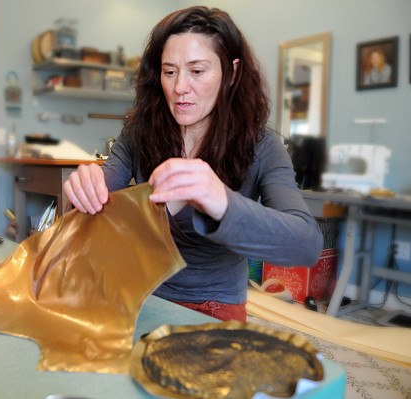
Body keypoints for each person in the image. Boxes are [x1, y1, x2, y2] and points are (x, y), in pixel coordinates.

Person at [63, 6, 323, 322]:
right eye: (169, 72)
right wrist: (83, 193)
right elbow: (88, 220)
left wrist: (221, 202)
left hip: (213, 307)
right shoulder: (139, 133)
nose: (180, 87)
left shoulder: (262, 146)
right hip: (136, 292)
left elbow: (306, 245)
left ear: (232, 72)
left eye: (197, 71)